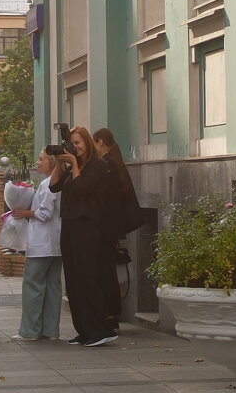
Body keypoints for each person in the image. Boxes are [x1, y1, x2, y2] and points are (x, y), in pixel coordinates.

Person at [49, 126, 116, 347]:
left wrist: (74, 164)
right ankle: (84, 331)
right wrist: (60, 162)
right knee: (74, 279)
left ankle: (100, 329)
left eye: (78, 143)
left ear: (87, 142)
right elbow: (54, 187)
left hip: (87, 227)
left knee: (88, 278)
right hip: (70, 226)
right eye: (72, 143)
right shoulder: (72, 167)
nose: (75, 147)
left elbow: (81, 189)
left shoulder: (98, 166)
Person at [92, 127, 144, 335]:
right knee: (108, 272)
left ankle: (110, 316)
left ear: (100, 143)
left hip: (106, 228)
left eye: (93, 143)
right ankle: (111, 316)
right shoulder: (113, 163)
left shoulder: (108, 165)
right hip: (110, 228)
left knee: (105, 273)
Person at [10, 148, 63, 341]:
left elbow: (44, 212)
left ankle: (30, 330)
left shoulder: (49, 183)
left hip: (41, 244)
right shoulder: (57, 182)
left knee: (33, 286)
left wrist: (26, 213)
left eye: (41, 159)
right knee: (52, 288)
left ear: (52, 162)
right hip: (56, 244)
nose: (37, 163)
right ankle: (50, 330)